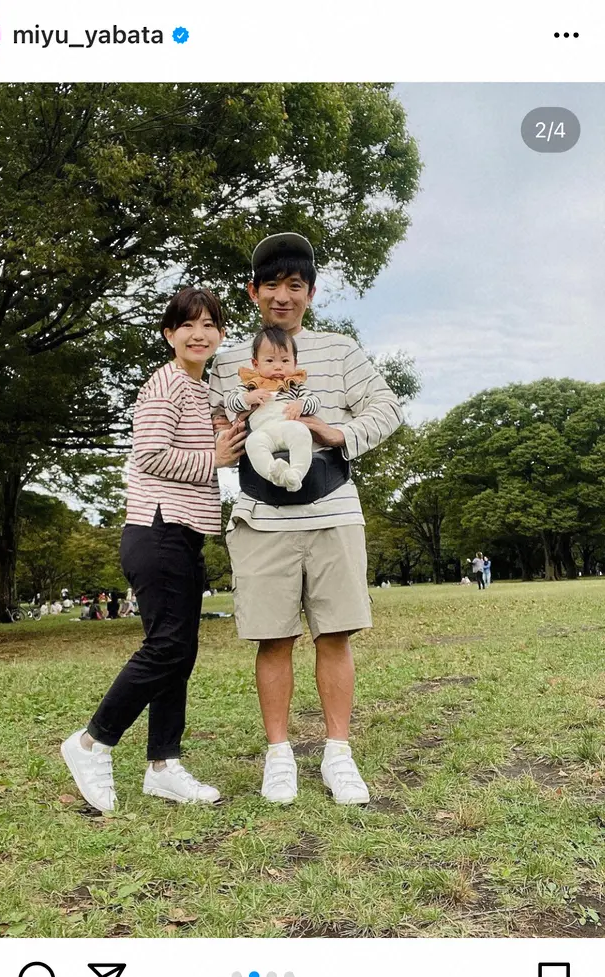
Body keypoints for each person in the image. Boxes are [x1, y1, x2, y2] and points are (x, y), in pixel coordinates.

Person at [210, 233, 404, 805]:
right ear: (253, 292)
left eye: (295, 285)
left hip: (333, 507)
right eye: (271, 285)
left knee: (335, 633)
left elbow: (387, 408)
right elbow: (212, 422)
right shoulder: (227, 361)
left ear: (311, 293)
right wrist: (229, 436)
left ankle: (338, 753)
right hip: (259, 513)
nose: (283, 296)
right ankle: (279, 756)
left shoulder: (339, 350)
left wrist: (335, 432)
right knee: (272, 638)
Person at [61, 287, 246, 810]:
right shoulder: (165, 384)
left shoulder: (202, 388)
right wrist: (213, 459)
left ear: (221, 334)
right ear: (169, 334)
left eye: (209, 324)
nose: (199, 334)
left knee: (180, 651)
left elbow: (224, 430)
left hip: (183, 533)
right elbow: (149, 455)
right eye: (187, 324)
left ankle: (163, 766)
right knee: (167, 647)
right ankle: (91, 742)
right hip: (157, 527)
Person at [226, 325, 320, 492]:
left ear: (295, 363)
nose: (278, 367)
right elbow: (231, 402)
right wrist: (248, 398)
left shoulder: (295, 385)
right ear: (256, 364)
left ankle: (296, 474)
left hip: (288, 425)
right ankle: (274, 473)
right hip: (262, 431)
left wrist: (300, 404)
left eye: (285, 361)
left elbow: (314, 402)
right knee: (253, 443)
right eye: (270, 361)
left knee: (301, 433)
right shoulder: (250, 385)